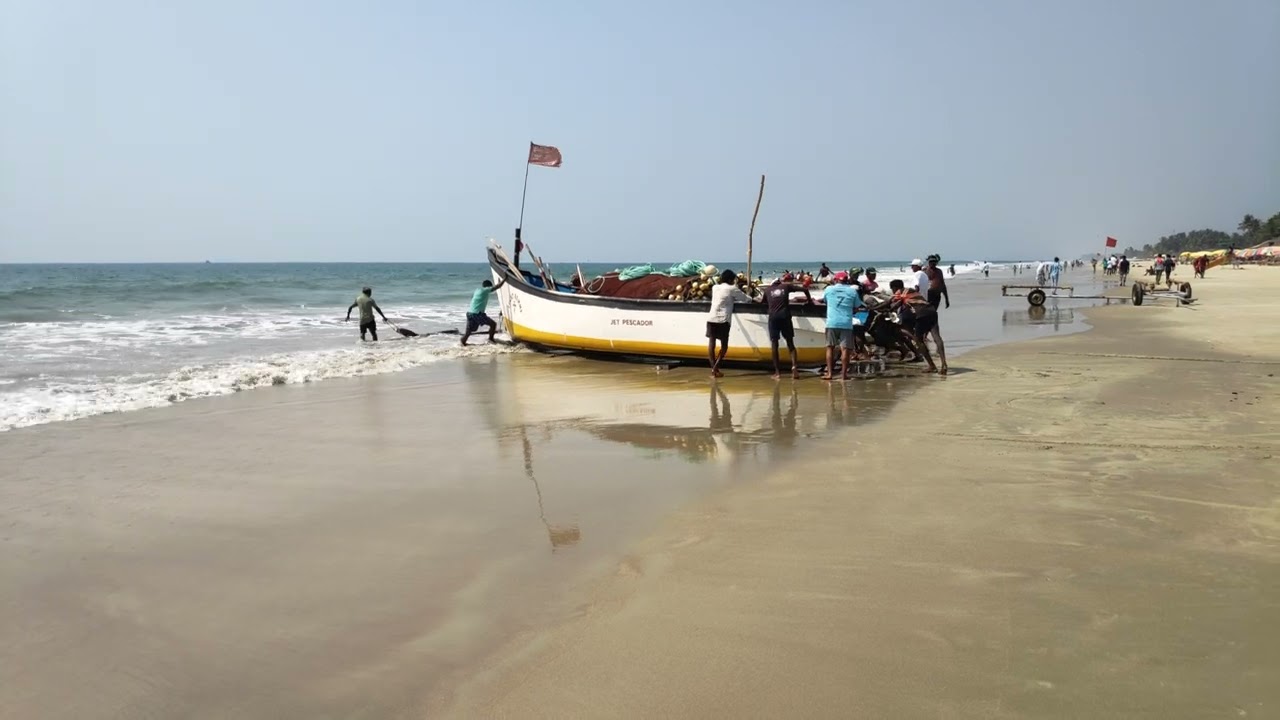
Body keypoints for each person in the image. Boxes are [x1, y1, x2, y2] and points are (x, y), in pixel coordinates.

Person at [889, 279, 946, 375]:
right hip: (931, 310)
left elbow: (891, 305)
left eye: (892, 289)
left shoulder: (899, 292)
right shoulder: (911, 290)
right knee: (937, 337)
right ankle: (944, 364)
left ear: (894, 288)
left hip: (922, 314)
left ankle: (932, 366)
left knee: (918, 340)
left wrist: (873, 308)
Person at [705, 269, 754, 378]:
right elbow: (746, 299)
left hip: (711, 318)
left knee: (711, 344)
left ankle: (713, 368)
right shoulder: (732, 289)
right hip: (723, 320)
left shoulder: (715, 287)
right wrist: (750, 296)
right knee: (724, 346)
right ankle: (715, 368)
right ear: (730, 279)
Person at [764, 277, 811, 380]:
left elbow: (763, 303)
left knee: (774, 344)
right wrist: (810, 301)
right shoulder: (786, 286)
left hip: (773, 317)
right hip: (785, 316)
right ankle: (794, 367)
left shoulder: (767, 290)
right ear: (780, 282)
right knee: (790, 343)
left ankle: (777, 372)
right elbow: (805, 290)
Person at [820, 271, 859, 381]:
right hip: (846, 323)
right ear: (846, 280)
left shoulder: (829, 289)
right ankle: (844, 375)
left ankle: (830, 374)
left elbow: (826, 301)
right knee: (845, 349)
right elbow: (856, 307)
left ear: (836, 280)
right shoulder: (852, 291)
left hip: (832, 322)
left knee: (830, 348)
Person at [461, 277, 507, 346]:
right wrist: (505, 278)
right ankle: (491, 339)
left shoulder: (477, 290)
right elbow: (497, 287)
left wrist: (499, 282)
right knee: (493, 324)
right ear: (488, 286)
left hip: (470, 313)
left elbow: (496, 286)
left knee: (469, 331)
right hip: (477, 314)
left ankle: (462, 342)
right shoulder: (485, 290)